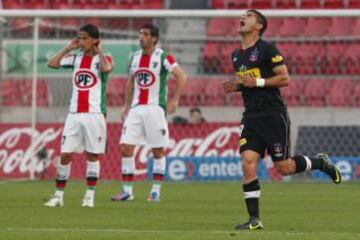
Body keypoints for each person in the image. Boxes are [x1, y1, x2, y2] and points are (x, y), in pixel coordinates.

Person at [222, 9, 342, 230]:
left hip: (273, 115)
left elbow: (284, 78)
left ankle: (320, 162)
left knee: (283, 168)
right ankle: (254, 220)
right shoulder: (236, 55)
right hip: (251, 117)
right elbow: (249, 83)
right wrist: (236, 87)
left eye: (248, 16)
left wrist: (255, 83)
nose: (242, 18)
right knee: (248, 163)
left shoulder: (267, 49)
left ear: (258, 26)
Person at [111, 24, 187, 202]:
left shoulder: (164, 57)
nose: (141, 37)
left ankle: (155, 192)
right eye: (140, 34)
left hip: (155, 109)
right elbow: (131, 82)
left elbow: (182, 76)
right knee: (126, 147)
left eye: (145, 34)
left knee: (158, 151)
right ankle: (127, 191)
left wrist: (174, 100)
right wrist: (126, 106)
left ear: (154, 38)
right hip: (136, 109)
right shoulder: (136, 57)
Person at [44, 24, 113, 207]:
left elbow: (106, 69)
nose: (80, 42)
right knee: (65, 155)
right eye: (79, 38)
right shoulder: (75, 59)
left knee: (92, 155)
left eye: (84, 38)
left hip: (94, 114)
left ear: (94, 40)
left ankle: (89, 196)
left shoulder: (103, 59)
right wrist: (68, 47)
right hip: (74, 114)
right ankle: (58, 196)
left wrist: (99, 51)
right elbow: (52, 63)